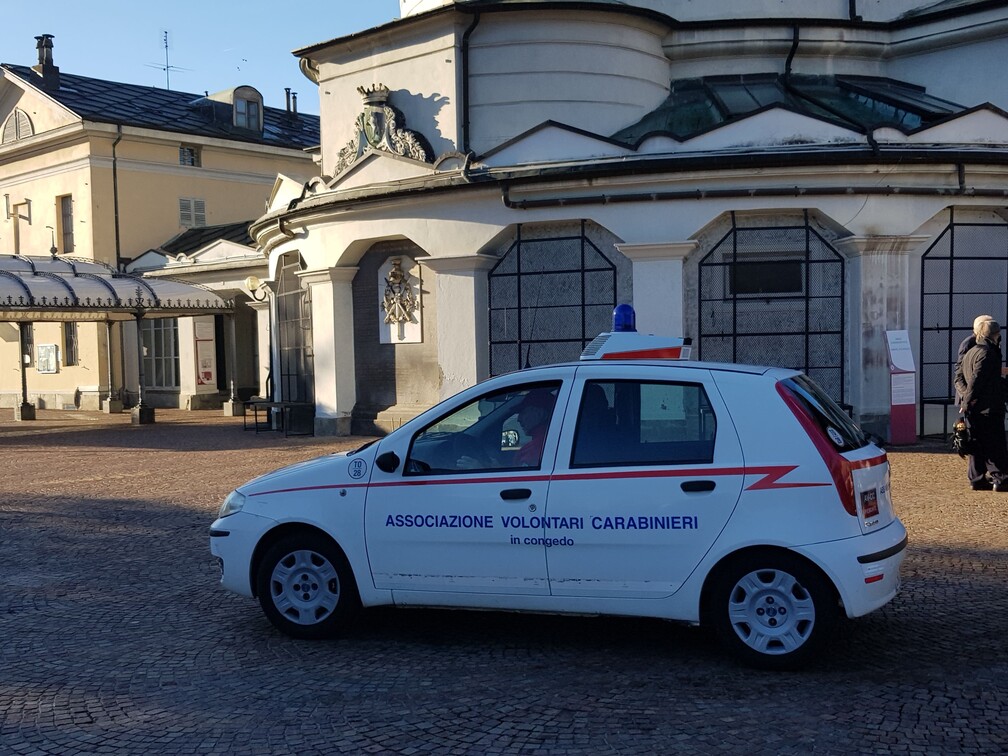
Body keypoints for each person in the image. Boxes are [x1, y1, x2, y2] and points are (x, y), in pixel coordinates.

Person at [959, 319, 1008, 491]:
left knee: (978, 444)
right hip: (989, 406)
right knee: (996, 443)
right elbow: (977, 380)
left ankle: (977, 478)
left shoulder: (971, 351)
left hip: (976, 406)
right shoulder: (987, 353)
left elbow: (964, 377)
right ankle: (1001, 478)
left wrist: (966, 400)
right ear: (996, 335)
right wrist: (967, 400)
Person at [954, 314, 994, 408]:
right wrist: (966, 396)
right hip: (969, 392)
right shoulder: (969, 343)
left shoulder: (989, 344)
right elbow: (960, 371)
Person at [514, 389, 556, 467]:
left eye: (524, 412)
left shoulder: (531, 451)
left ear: (540, 413)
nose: (519, 419)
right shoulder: (554, 441)